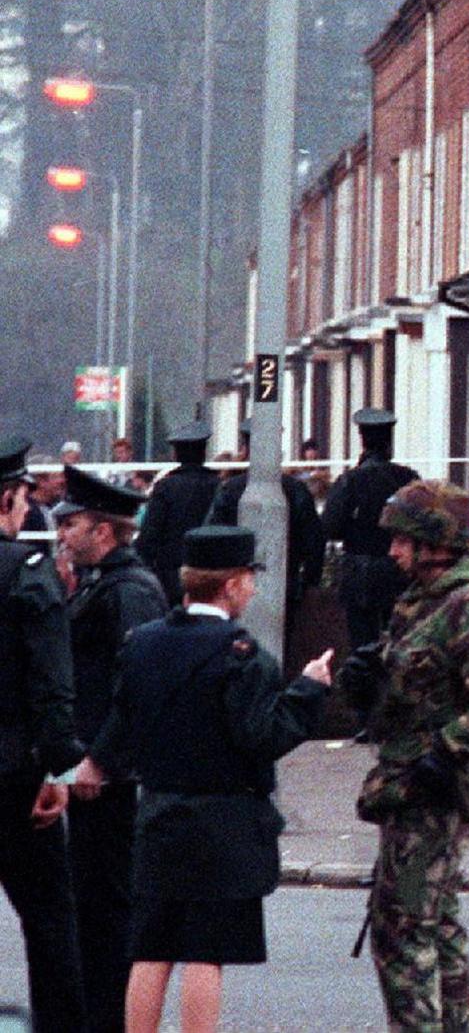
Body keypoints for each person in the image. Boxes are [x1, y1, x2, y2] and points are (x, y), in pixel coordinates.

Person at [76, 526, 332, 1033]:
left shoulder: (144, 645)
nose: (254, 590)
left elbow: (121, 722)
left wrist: (94, 766)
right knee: (204, 954)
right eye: (250, 580)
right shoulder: (243, 656)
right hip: (225, 823)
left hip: (159, 813)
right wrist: (308, 690)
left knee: (151, 949)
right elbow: (261, 735)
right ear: (232, 584)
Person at [341, 481, 469, 1031]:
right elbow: (411, 689)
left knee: (402, 931)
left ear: (436, 544)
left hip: (431, 789)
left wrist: (446, 753)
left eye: (403, 540)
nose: (393, 551)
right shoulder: (423, 602)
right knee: (435, 925)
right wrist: (367, 686)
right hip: (406, 782)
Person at [53, 466, 167, 1032]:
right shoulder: (102, 583)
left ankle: (112, 1020)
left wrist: (103, 758)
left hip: (111, 779)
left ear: (104, 532)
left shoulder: (131, 592)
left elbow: (137, 688)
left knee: (108, 907)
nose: (62, 534)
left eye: (72, 524)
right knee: (90, 907)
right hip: (91, 769)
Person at [0, 437, 89, 1030]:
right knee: (51, 921)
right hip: (13, 772)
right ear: (9, 499)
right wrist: (60, 771)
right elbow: (51, 686)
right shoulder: (28, 576)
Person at [204, 418, 327, 624]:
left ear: (246, 449)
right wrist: (306, 585)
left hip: (236, 588)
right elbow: (315, 541)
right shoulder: (295, 490)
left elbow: (212, 537)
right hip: (285, 588)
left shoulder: (230, 489)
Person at [321, 409, 419, 650]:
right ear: (389, 442)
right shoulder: (408, 479)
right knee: (399, 640)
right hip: (398, 572)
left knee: (362, 644)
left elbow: (330, 527)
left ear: (362, 440)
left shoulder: (349, 480)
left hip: (359, 572)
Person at [133, 423, 223, 608]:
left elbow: (150, 534)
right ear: (204, 452)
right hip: (210, 571)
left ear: (176, 454)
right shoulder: (219, 485)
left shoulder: (166, 486)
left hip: (171, 575)